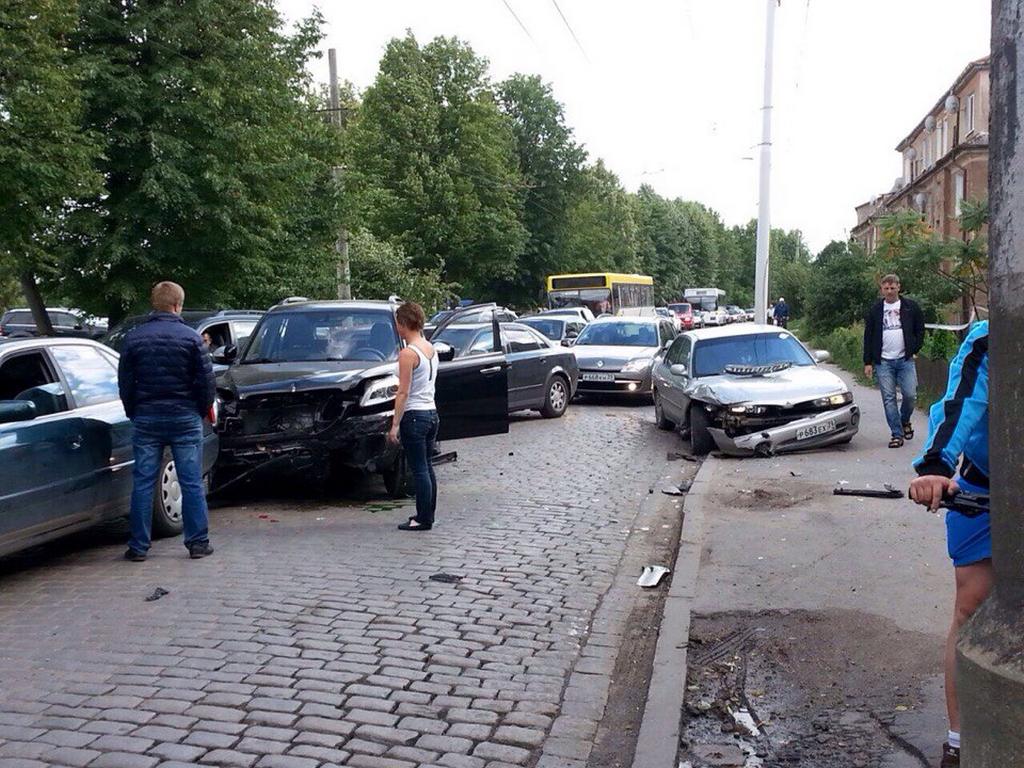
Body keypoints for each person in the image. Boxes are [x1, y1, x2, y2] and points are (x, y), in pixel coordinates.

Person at [909, 320, 989, 768]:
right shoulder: (990, 337)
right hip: (985, 484)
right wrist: (936, 465)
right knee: (971, 604)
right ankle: (958, 740)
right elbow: (961, 403)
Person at [117, 281, 216, 561]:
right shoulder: (191, 338)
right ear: (177, 305)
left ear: (155, 303)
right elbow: (206, 383)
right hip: (184, 416)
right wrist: (199, 409)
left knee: (144, 482)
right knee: (191, 481)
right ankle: (197, 543)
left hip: (146, 416)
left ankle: (138, 547)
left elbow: (125, 382)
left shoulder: (134, 338)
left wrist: (133, 411)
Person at [387, 301, 438, 531]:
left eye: (398, 322)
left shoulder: (408, 354)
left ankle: (422, 518)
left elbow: (403, 391)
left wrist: (394, 424)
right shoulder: (430, 348)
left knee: (418, 469)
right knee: (427, 466)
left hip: (415, 415)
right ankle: (428, 513)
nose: (397, 327)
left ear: (405, 323)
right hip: (431, 412)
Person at [863, 274, 925, 448]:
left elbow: (920, 330)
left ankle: (904, 420)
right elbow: (868, 336)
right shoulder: (875, 310)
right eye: (886, 288)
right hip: (883, 362)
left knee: (910, 395)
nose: (889, 291)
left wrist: (914, 349)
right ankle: (897, 434)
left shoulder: (910, 307)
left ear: (899, 287)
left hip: (905, 359)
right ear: (881, 289)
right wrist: (868, 362)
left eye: (892, 288)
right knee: (889, 398)